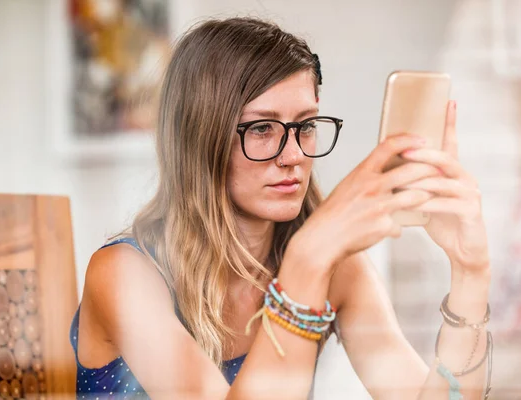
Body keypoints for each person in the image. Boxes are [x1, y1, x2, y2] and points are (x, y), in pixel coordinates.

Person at [69, 16, 492, 399]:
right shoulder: (125, 274)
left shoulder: (337, 267)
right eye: (262, 129)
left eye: (305, 126)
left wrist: (471, 271)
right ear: (199, 139)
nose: (293, 156)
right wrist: (308, 260)